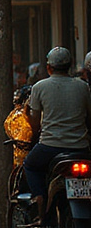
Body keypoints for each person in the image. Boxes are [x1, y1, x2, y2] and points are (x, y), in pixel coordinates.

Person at [22, 47, 91, 213]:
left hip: (49, 148)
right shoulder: (83, 87)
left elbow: (35, 123)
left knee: (29, 165)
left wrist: (29, 122)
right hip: (80, 149)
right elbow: (89, 117)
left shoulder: (39, 87)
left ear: (49, 68)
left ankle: (39, 197)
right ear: (71, 65)